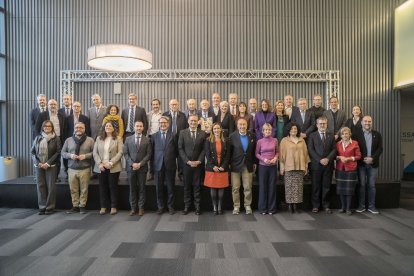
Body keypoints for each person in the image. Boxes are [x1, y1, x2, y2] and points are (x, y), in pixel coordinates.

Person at [61, 122, 95, 214]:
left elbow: (95, 153)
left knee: (84, 189)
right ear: (74, 129)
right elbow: (63, 153)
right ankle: (75, 206)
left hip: (85, 168)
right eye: (76, 127)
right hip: (72, 169)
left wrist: (86, 156)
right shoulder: (68, 140)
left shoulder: (90, 140)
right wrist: (70, 155)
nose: (78, 129)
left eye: (81, 127)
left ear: (84, 129)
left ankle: (82, 206)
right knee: (73, 189)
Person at [307, 116, 337, 214]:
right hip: (316, 165)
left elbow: (334, 149)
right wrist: (320, 160)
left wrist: (327, 159)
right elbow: (310, 150)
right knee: (316, 186)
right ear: (317, 125)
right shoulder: (312, 135)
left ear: (326, 124)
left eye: (324, 123)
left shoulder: (331, 135)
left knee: (326, 186)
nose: (322, 125)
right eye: (320, 123)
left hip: (328, 165)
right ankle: (315, 206)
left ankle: (326, 205)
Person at [93, 121, 123, 215]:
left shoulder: (118, 138)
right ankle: (103, 206)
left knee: (113, 187)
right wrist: (99, 164)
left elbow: (120, 152)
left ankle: (113, 206)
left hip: (113, 166)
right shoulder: (98, 138)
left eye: (110, 126)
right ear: (104, 127)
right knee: (102, 187)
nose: (108, 127)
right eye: (106, 126)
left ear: (113, 128)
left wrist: (111, 162)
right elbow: (95, 153)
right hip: (101, 167)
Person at [31, 120, 61, 215]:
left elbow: (58, 152)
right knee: (40, 186)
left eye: (49, 126)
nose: (47, 127)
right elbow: (32, 152)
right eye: (45, 126)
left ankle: (50, 207)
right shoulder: (38, 138)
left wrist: (47, 163)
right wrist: (38, 162)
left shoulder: (56, 139)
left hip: (51, 166)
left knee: (51, 187)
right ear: (42, 128)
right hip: (39, 166)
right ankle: (42, 207)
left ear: (52, 127)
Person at [178, 114, 206, 215]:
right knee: (186, 187)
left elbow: (204, 149)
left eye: (195, 121)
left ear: (198, 122)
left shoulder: (202, 133)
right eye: (191, 121)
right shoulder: (182, 133)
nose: (193, 122)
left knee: (197, 186)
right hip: (186, 165)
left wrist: (199, 161)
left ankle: (197, 207)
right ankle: (187, 206)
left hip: (198, 165)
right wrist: (187, 161)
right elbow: (180, 148)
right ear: (188, 121)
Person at [355, 116, 383, 214]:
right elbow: (355, 148)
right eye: (365, 121)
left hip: (373, 164)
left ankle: (372, 206)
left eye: (369, 121)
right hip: (361, 164)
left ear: (372, 122)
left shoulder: (377, 134)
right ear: (361, 122)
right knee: (362, 185)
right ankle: (361, 206)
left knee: (371, 185)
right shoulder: (356, 134)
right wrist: (364, 158)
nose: (367, 123)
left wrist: (372, 158)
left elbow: (380, 149)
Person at [124, 121, 152, 216]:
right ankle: (133, 208)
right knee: (132, 188)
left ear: (143, 128)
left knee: (142, 188)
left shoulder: (147, 140)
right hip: (131, 168)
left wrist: (140, 164)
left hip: (142, 168)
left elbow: (149, 154)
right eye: (137, 126)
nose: (139, 128)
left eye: (140, 126)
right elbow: (126, 154)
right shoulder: (128, 139)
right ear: (134, 127)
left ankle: (141, 207)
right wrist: (132, 164)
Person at [279, 122, 308, 213]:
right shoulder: (284, 140)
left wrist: (306, 166)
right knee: (289, 187)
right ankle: (290, 205)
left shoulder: (302, 140)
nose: (293, 130)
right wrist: (282, 167)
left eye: (295, 129)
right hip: (288, 167)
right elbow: (281, 155)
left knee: (298, 188)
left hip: (300, 167)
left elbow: (305, 154)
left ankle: (296, 205)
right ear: (288, 130)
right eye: (292, 129)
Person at [229, 118, 256, 215]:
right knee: (235, 187)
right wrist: (229, 163)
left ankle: (247, 205)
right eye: (240, 124)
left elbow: (254, 152)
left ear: (247, 125)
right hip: (235, 165)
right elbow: (229, 152)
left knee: (248, 186)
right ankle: (236, 206)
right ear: (237, 125)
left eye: (244, 124)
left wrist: (254, 163)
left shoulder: (252, 136)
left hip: (247, 164)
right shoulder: (232, 136)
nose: (242, 126)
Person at [151, 116, 178, 215]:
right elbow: (152, 153)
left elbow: (177, 151)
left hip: (170, 165)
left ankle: (170, 206)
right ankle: (160, 207)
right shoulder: (154, 136)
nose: (163, 124)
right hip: (158, 165)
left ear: (168, 124)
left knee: (171, 187)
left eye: (164, 123)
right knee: (159, 188)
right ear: (159, 124)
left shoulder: (174, 135)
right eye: (161, 123)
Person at [204, 123, 229, 215]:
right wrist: (213, 166)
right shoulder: (208, 140)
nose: (216, 130)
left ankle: (219, 206)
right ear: (212, 130)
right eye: (215, 129)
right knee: (213, 191)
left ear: (221, 129)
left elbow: (228, 155)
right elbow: (207, 155)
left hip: (223, 168)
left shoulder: (226, 140)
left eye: (218, 128)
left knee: (221, 190)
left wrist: (223, 166)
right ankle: (214, 206)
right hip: (212, 168)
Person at [335, 127, 361, 215]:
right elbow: (335, 155)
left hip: (351, 169)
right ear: (341, 135)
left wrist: (349, 158)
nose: (345, 135)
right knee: (341, 190)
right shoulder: (338, 144)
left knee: (349, 191)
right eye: (343, 134)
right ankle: (342, 207)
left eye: (346, 133)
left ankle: (348, 208)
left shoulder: (355, 143)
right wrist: (339, 157)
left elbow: (358, 156)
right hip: (340, 168)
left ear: (350, 134)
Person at [255, 123, 278, 215]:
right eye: (266, 130)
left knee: (272, 187)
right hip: (263, 166)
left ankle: (271, 209)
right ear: (263, 131)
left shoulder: (275, 140)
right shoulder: (259, 141)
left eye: (269, 130)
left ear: (271, 131)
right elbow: (257, 154)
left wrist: (275, 158)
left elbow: (277, 152)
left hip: (272, 166)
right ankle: (263, 209)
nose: (268, 131)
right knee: (263, 187)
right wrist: (264, 159)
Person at [163, 99, 188, 181]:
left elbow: (185, 128)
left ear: (178, 105)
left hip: (180, 139)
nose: (174, 106)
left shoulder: (183, 115)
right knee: (170, 158)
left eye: (175, 104)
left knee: (180, 157)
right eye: (172, 104)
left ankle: (181, 174)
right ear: (169, 105)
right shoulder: (165, 114)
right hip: (169, 140)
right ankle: (171, 174)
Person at [146, 98, 163, 181]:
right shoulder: (148, 114)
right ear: (151, 105)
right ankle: (151, 173)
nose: (155, 106)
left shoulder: (164, 114)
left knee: (160, 155)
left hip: (160, 137)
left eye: (157, 104)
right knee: (151, 155)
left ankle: (159, 173)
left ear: (159, 105)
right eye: (153, 104)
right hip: (151, 137)